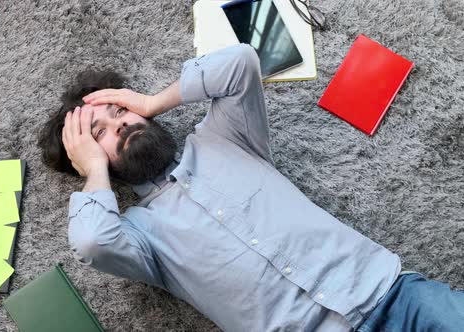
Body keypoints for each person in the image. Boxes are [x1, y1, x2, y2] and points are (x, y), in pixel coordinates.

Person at [38, 44, 464, 332]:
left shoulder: (221, 136)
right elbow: (92, 241)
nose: (122, 125)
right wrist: (92, 170)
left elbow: (241, 61)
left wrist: (152, 101)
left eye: (120, 112)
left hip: (393, 295)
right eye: (101, 133)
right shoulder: (139, 235)